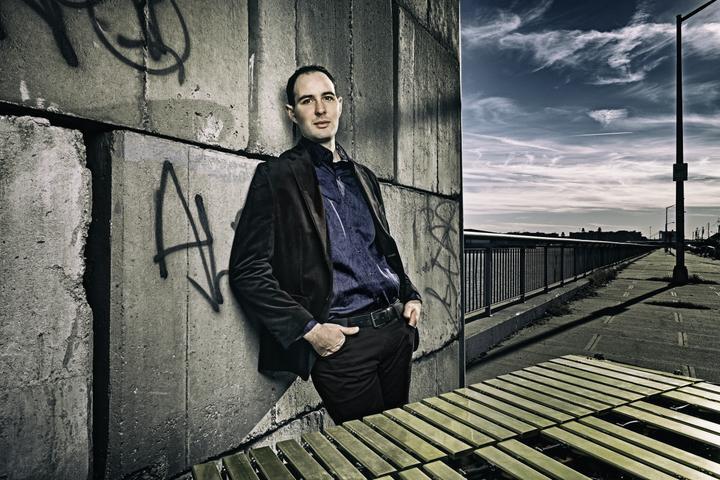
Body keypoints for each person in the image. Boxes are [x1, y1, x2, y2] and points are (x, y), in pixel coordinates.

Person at [228, 65, 422, 424]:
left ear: (340, 105)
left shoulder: (364, 176)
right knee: (369, 447)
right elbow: (248, 270)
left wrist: (411, 295)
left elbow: (382, 249)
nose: (320, 109)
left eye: (328, 98)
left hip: (395, 332)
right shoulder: (277, 176)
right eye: (307, 101)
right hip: (343, 344)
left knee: (398, 437)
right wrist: (311, 331)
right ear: (292, 113)